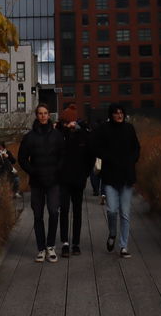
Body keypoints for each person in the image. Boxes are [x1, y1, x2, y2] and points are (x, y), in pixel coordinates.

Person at [18, 103, 65, 262]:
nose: (43, 116)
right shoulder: (29, 137)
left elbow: (63, 156)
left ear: (49, 115)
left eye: (45, 113)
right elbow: (22, 159)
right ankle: (41, 248)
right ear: (36, 116)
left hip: (53, 181)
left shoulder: (57, 135)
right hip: (37, 182)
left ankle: (50, 246)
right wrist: (33, 171)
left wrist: (57, 171)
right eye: (40, 113)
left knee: (53, 212)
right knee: (38, 215)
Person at [92, 102, 140, 258]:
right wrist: (108, 158)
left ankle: (123, 246)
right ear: (111, 114)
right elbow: (96, 147)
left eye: (121, 112)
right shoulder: (104, 130)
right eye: (116, 113)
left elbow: (136, 148)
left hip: (126, 176)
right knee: (112, 210)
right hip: (110, 177)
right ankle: (112, 233)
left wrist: (132, 160)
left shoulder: (129, 129)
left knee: (125, 213)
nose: (119, 115)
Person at [56, 103, 94, 256]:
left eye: (70, 121)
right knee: (64, 210)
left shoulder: (83, 134)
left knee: (77, 211)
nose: (69, 124)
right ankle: (65, 242)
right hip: (63, 179)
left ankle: (76, 243)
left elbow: (90, 156)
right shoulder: (59, 135)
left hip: (78, 178)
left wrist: (85, 173)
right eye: (66, 122)